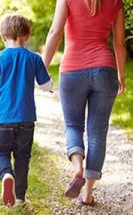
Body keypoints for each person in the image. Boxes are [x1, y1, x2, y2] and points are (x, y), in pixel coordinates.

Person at [43, 0, 126, 206]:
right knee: (97, 134)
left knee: (73, 125)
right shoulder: (117, 2)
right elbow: (119, 43)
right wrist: (121, 74)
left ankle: (77, 168)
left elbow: (55, 32)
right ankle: (88, 193)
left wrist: (42, 67)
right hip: (105, 70)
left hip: (72, 70)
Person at [0, 14, 53, 207]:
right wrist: (51, 85)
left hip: (4, 119)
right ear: (27, 35)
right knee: (23, 157)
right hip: (26, 119)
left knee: (1, 153)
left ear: (3, 36)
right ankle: (20, 198)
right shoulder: (34, 59)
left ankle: (6, 174)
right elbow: (45, 85)